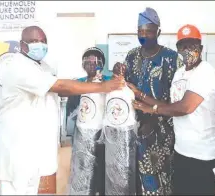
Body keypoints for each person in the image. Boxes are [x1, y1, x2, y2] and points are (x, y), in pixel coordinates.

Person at [0, 26, 124, 195]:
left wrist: (97, 84)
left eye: (42, 41)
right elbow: (59, 86)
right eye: (33, 41)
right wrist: (103, 86)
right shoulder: (18, 67)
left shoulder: (42, 67)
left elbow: (59, 89)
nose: (39, 45)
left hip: (32, 145)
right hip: (16, 145)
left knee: (30, 189)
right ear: (21, 44)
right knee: (17, 189)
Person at [132, 24, 215, 195]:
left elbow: (185, 107)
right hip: (182, 151)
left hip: (206, 154)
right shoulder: (179, 73)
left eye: (192, 46)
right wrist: (139, 95)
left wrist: (152, 109)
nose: (187, 50)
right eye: (183, 46)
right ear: (178, 49)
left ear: (201, 48)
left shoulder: (205, 71)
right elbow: (168, 105)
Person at [114, 7, 183, 195]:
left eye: (149, 31)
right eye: (140, 31)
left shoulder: (171, 58)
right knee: (134, 178)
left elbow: (178, 99)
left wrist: (154, 116)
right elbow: (124, 85)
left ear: (158, 32)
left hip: (162, 130)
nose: (144, 36)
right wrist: (117, 71)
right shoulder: (131, 55)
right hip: (134, 126)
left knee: (160, 179)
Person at [67, 47, 110, 195]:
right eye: (88, 61)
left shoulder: (108, 84)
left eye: (96, 61)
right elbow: (71, 114)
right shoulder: (77, 85)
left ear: (102, 65)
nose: (92, 64)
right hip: (82, 138)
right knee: (84, 175)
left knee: (102, 175)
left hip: (103, 139)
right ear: (83, 65)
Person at [103, 62, 138, 195]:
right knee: (112, 168)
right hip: (111, 133)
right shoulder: (109, 91)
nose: (120, 72)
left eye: (122, 70)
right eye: (117, 69)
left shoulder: (129, 91)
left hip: (126, 135)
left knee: (125, 168)